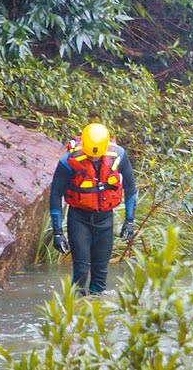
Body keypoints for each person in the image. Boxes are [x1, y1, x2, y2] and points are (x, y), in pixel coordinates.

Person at [49, 123, 137, 295]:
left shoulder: (118, 155)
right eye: (90, 155)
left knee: (100, 273)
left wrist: (129, 221)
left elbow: (130, 188)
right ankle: (75, 312)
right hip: (79, 219)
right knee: (81, 270)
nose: (93, 159)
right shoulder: (68, 161)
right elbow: (55, 195)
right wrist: (58, 233)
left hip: (105, 219)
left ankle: (97, 311)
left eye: (97, 156)